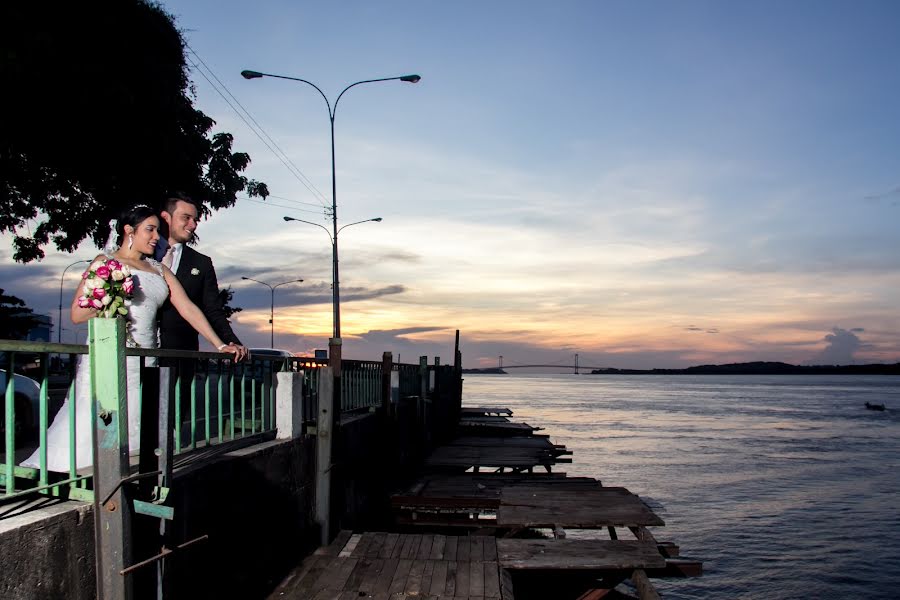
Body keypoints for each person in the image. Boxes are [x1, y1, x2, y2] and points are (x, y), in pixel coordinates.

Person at [22, 205, 241, 471]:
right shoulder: (105, 264)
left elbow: (188, 308)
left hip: (146, 358)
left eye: (157, 232)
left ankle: (131, 478)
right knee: (100, 418)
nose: (155, 238)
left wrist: (220, 344)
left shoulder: (159, 269)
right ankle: (91, 476)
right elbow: (77, 315)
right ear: (129, 231)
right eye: (149, 230)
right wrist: (112, 298)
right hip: (110, 356)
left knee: (140, 420)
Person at [156, 194, 247, 359]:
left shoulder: (202, 263)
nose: (193, 225)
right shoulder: (143, 256)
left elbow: (213, 309)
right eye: (186, 218)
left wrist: (231, 342)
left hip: (182, 353)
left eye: (195, 220)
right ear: (166, 217)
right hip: (139, 347)